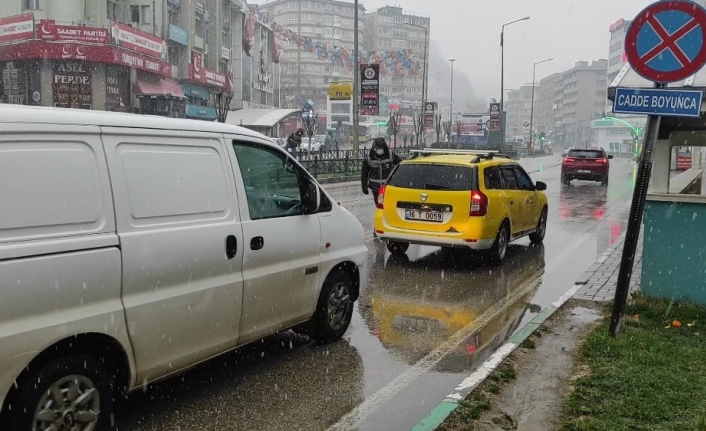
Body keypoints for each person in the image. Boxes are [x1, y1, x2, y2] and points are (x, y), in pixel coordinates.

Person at [361, 137, 402, 203]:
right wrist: (364, 186)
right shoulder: (369, 157)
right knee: (379, 206)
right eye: (378, 148)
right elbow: (364, 173)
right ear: (375, 148)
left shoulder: (390, 155)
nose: (380, 150)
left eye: (381, 148)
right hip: (375, 188)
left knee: (388, 206)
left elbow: (400, 165)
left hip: (388, 188)